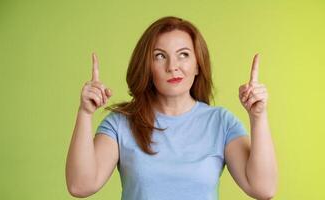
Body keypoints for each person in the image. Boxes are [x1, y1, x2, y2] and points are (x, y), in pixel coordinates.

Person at [65, 16, 277, 200]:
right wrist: (85, 113)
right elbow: (80, 185)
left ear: (197, 65)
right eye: (160, 56)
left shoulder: (221, 122)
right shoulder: (121, 122)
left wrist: (258, 117)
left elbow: (263, 189)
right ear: (148, 67)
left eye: (183, 54)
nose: (172, 66)